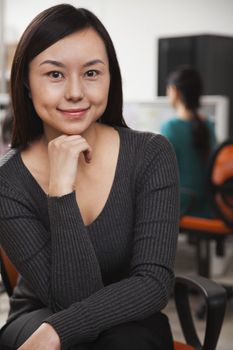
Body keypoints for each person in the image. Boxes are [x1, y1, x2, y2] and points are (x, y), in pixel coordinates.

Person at [0, 4, 179, 350]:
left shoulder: (151, 154)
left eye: (92, 73)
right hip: (39, 313)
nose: (75, 92)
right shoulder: (8, 181)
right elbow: (71, 296)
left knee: (127, 340)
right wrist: (61, 191)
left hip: (130, 316)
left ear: (111, 76)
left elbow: (154, 283)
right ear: (25, 81)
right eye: (54, 74)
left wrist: (57, 331)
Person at [161, 66, 217, 217]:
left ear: (174, 91)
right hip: (208, 205)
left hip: (183, 204)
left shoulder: (170, 127)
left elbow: (163, 173)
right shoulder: (208, 125)